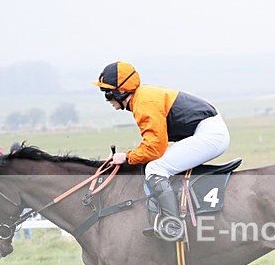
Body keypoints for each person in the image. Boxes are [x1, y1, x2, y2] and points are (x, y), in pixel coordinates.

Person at [93, 61, 231, 239]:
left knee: (155, 168)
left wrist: (126, 157)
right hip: (205, 131)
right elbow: (156, 144)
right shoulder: (142, 97)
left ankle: (172, 225)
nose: (107, 100)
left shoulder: (143, 102)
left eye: (107, 94)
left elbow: (154, 148)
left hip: (209, 135)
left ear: (120, 91)